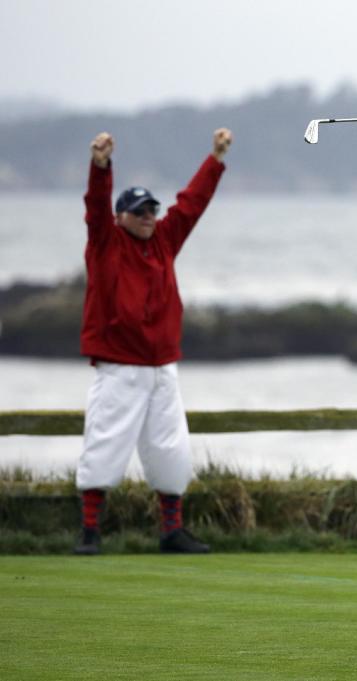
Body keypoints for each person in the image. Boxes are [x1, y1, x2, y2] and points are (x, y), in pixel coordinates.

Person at [73, 127, 233, 555]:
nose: (149, 216)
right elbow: (93, 208)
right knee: (104, 444)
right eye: (140, 211)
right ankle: (89, 534)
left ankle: (171, 532)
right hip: (119, 365)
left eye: (152, 210)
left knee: (172, 451)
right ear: (122, 216)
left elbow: (191, 204)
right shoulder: (105, 243)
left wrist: (215, 160)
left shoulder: (164, 240)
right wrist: (100, 166)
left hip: (163, 366)